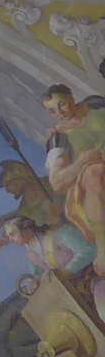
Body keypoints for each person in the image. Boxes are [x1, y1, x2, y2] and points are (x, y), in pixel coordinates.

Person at [43, 84, 105, 275]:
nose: (60, 112)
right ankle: (103, 245)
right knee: (93, 172)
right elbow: (57, 183)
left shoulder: (95, 105)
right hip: (93, 183)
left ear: (71, 97)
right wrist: (82, 161)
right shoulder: (58, 139)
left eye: (62, 104)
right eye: (53, 110)